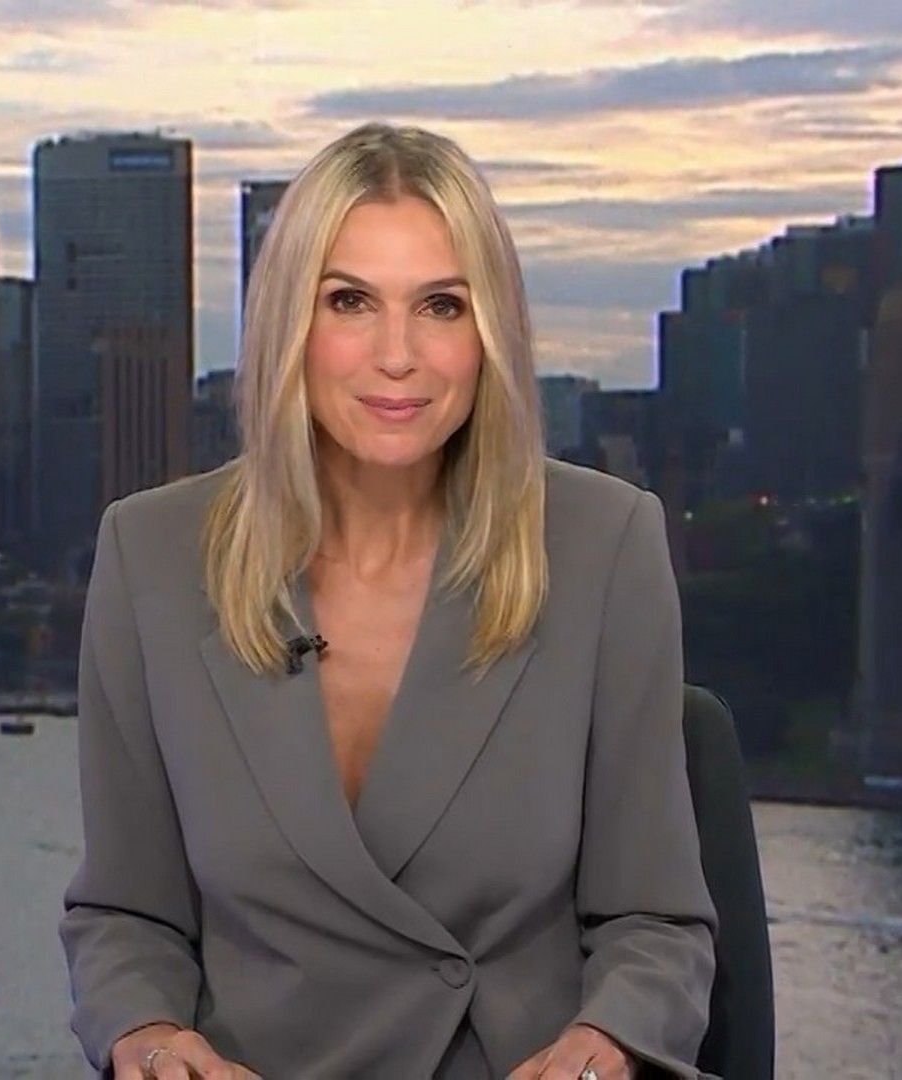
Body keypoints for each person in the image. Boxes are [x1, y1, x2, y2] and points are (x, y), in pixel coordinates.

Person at [61, 121, 718, 1079]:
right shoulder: (150, 556)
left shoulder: (604, 544)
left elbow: (655, 921)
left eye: (442, 305)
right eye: (351, 302)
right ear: (290, 323)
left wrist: (605, 1043)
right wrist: (152, 1039)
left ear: (490, 333)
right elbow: (126, 913)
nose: (398, 355)